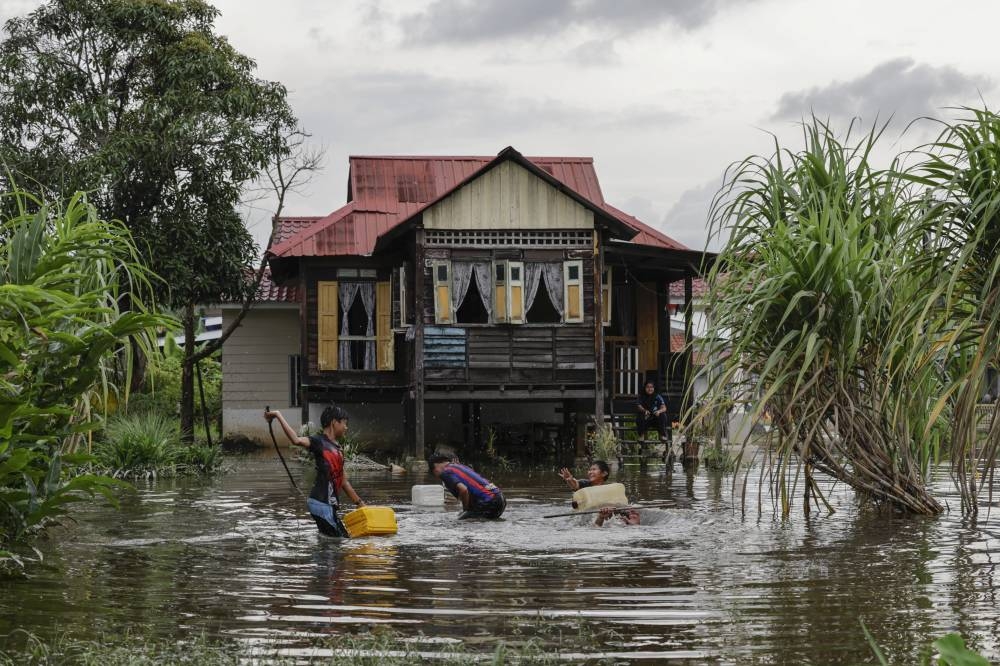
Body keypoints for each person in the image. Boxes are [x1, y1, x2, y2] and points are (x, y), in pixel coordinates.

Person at [264, 405, 366, 537]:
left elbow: (344, 482)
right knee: (340, 541)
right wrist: (278, 414)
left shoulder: (338, 450)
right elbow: (296, 440)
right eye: (344, 423)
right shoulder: (318, 442)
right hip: (321, 503)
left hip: (326, 505)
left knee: (335, 540)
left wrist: (360, 503)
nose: (346, 427)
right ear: (334, 422)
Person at [427, 453, 506, 519]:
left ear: (435, 468)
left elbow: (464, 490)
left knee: (462, 522)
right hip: (500, 498)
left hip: (489, 502)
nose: (438, 476)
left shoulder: (445, 473)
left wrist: (465, 510)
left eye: (435, 474)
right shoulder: (460, 466)